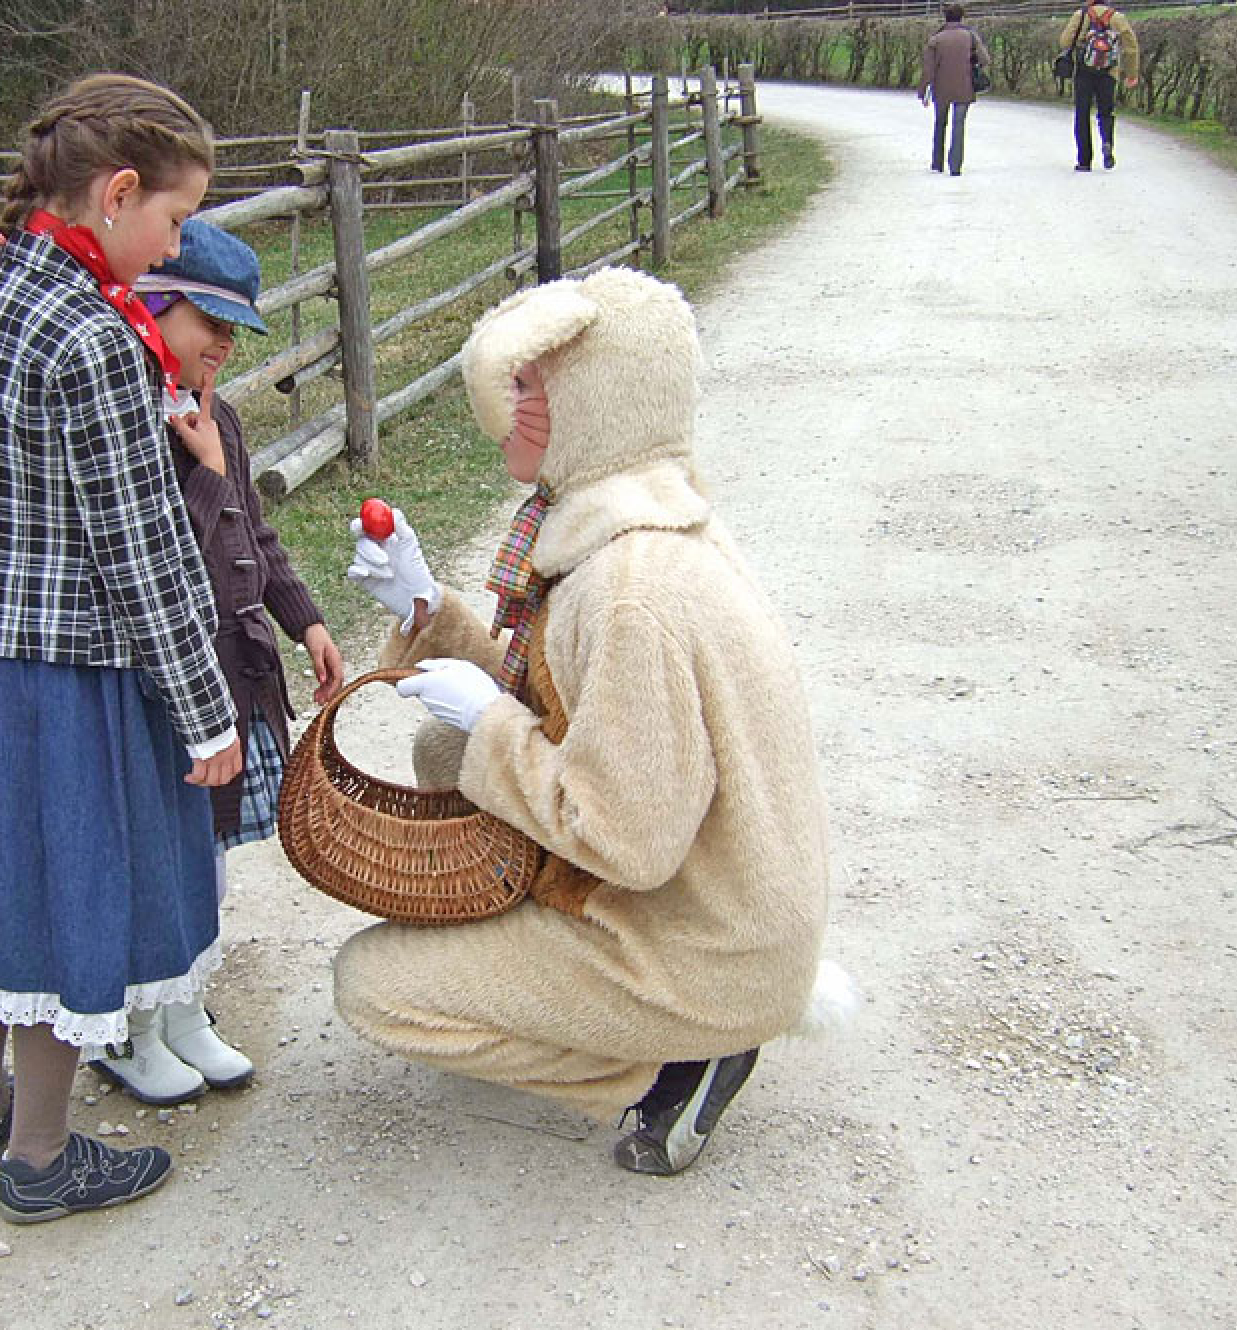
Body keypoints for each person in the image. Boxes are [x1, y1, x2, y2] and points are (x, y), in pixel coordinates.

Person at [335, 268, 852, 1176]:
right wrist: (427, 609)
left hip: (696, 945)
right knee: (446, 744)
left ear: (593, 403)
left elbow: (628, 839)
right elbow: (567, 705)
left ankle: (673, 1058)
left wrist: (494, 727)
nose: (505, 408)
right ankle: (622, 1006)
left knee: (374, 987)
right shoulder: (643, 525)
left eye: (530, 388)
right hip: (714, 910)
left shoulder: (627, 592)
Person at [0, 73, 244, 1225]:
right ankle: (39, 1157)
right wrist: (204, 710)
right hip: (68, 672)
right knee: (63, 895)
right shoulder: (94, 336)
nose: (174, 246)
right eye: (174, 219)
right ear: (118, 192)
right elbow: (140, 550)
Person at [88, 219, 347, 1100]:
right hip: (168, 685)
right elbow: (164, 558)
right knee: (153, 859)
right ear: (153, 305)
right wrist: (199, 469)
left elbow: (251, 532)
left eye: (236, 329)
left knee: (206, 862)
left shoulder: (216, 417)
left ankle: (185, 1010)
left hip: (233, 675)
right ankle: (129, 1029)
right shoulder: (136, 424)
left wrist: (304, 620)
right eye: (211, 322)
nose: (226, 345)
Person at [1058, 2, 1139, 171]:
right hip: (1109, 72)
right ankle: (1107, 142)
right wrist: (1132, 74)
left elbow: (1065, 42)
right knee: (1106, 112)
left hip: (1083, 72)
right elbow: (1131, 48)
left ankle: (1084, 161)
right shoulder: (1117, 17)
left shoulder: (1081, 15)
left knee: (1082, 114)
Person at [917, 4, 993, 177]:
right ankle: (955, 166)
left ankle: (937, 163)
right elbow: (985, 60)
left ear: (945, 18)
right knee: (959, 125)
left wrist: (923, 92)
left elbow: (928, 70)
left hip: (941, 88)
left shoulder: (936, 39)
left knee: (940, 124)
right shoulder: (970, 36)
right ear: (962, 18)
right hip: (964, 87)